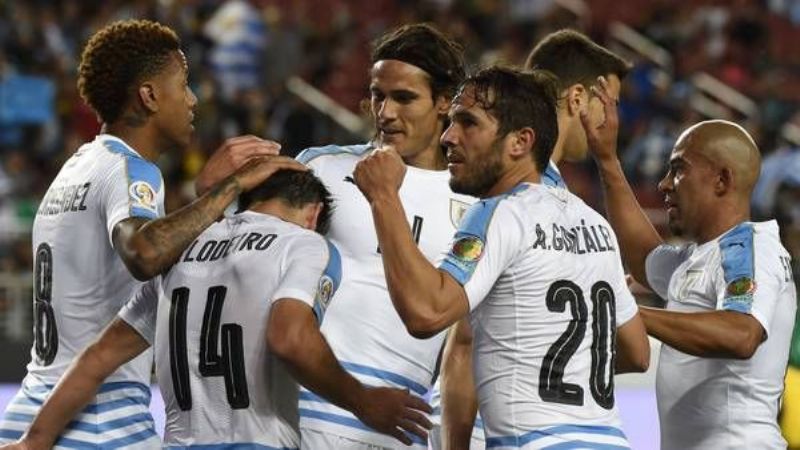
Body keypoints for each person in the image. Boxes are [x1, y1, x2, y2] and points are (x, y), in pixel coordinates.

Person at [0, 19, 300, 448]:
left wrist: (204, 196)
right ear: (150, 95)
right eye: (184, 84)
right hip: (99, 420)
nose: (193, 99)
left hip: (35, 406)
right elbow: (143, 252)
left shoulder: (75, 169)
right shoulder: (132, 169)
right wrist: (231, 189)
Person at [0, 169, 432, 450]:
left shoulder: (182, 254)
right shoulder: (305, 245)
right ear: (313, 213)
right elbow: (289, 339)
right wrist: (363, 401)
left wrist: (34, 441)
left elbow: (96, 359)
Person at [198, 23, 473, 450]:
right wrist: (210, 195)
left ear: (443, 102)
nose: (385, 113)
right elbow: (238, 256)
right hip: (300, 413)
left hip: (400, 424)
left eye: (404, 98)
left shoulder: (476, 208)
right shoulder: (321, 169)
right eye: (378, 95)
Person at [354, 66, 650, 449]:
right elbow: (636, 351)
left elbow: (426, 312)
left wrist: (384, 198)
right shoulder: (595, 225)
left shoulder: (500, 212)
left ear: (520, 142)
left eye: (467, 123)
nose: (448, 136)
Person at [431, 29, 637, 450]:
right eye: (608, 103)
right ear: (578, 99)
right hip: (499, 428)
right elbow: (463, 345)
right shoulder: (511, 190)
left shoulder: (545, 193)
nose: (610, 121)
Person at [582, 75, 797, 449]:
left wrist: (632, 312)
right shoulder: (700, 256)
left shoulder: (751, 247)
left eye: (678, 169)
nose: (665, 184)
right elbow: (644, 255)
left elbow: (741, 333)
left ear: (721, 180)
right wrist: (607, 159)